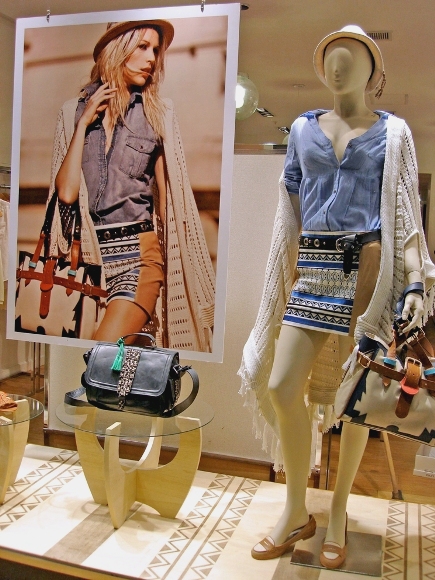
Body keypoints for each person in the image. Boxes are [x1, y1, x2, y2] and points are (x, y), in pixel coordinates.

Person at [239, 25, 435, 568]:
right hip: (313, 270)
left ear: (374, 71)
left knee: (353, 400)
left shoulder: (393, 133)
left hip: (366, 273)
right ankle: (296, 508)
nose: (338, 66)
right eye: (330, 57)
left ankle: (341, 509)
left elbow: (406, 213)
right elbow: (291, 206)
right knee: (281, 385)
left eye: (351, 57)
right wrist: (283, 269)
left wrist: (414, 280)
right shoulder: (303, 129)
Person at [47, 20, 215, 350]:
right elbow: (66, 193)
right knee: (115, 364)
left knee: (98, 355)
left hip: (139, 259)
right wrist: (83, 124)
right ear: (118, 49)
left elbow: (170, 204)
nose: (151, 58)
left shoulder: (158, 113)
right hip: (89, 263)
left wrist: (177, 274)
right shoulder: (72, 113)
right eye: (142, 47)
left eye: (155, 50)